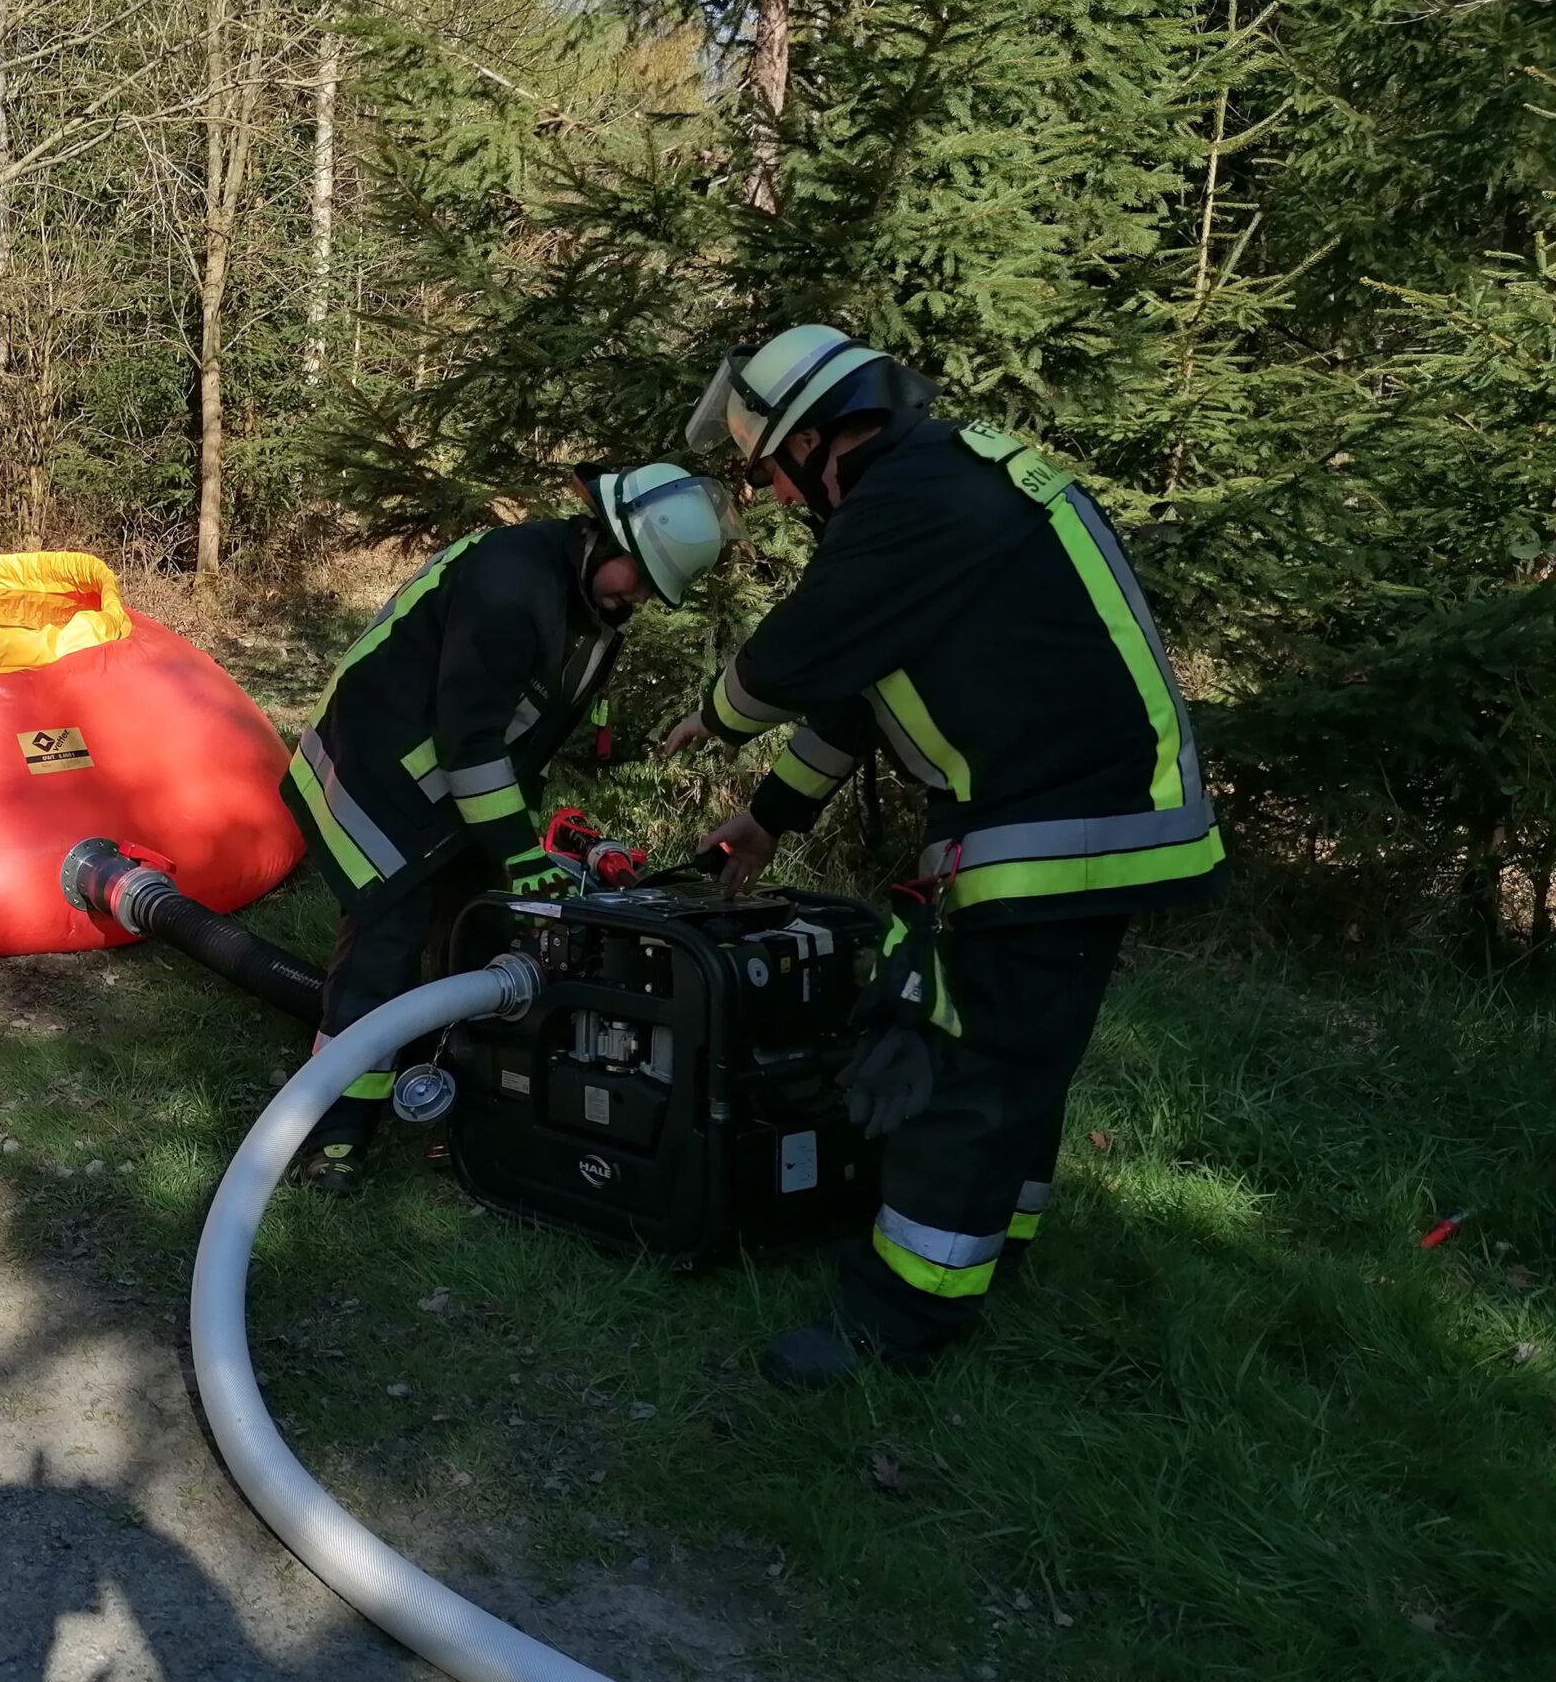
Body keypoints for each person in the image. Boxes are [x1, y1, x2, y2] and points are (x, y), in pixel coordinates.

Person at [662, 324, 1227, 1387]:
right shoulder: (944, 481)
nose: (776, 495)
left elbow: (801, 652)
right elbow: (860, 694)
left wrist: (719, 712)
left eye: (772, 470)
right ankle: (986, 1248)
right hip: (1082, 812)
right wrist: (767, 817)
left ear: (818, 439)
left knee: (962, 1066)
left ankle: (896, 1319)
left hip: (1053, 818)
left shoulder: (916, 498)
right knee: (1021, 1059)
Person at [284, 462, 735, 1193]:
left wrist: (512, 848)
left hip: (460, 785)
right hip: (381, 776)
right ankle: (336, 1134)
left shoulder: (585, 595)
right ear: (605, 536)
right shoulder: (510, 585)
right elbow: (470, 739)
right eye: (639, 578)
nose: (640, 598)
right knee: (384, 945)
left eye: (654, 590)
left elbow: (520, 733)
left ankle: (462, 1096)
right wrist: (518, 853)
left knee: (480, 932)